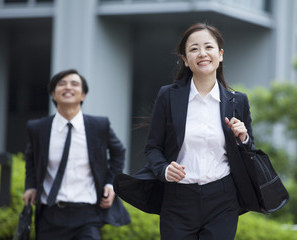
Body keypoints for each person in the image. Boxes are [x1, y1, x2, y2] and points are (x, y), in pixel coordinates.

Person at [114, 23, 259, 240]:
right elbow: (153, 148)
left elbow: (250, 149)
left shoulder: (238, 101)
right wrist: (164, 169)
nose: (202, 53)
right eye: (194, 49)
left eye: (208, 47)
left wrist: (243, 138)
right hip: (178, 199)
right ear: (185, 59)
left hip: (223, 199)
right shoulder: (168, 96)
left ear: (220, 55)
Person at [22, 69, 130, 240]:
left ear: (83, 95)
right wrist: (31, 186)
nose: (68, 87)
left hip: (88, 214)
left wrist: (111, 184)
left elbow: (119, 153)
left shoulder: (99, 125)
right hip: (50, 215)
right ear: (53, 94)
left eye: (75, 84)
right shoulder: (38, 128)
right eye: (62, 84)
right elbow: (31, 158)